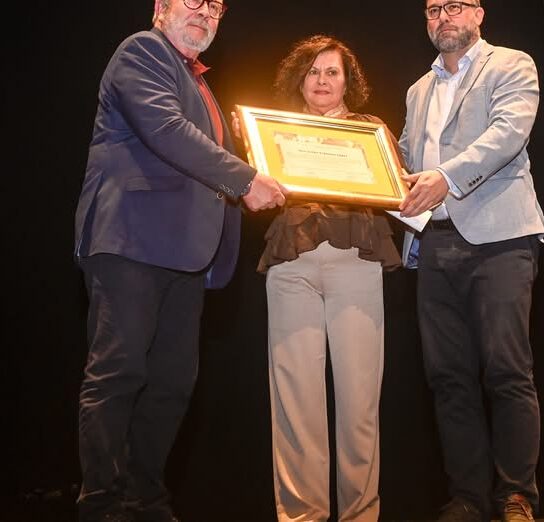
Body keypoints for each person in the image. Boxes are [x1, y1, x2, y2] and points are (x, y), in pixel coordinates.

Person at [73, 0, 286, 519]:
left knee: (172, 383)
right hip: (131, 241)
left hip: (186, 254)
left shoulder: (201, 84)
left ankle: (144, 497)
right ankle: (101, 503)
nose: (206, 12)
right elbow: (166, 129)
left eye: (216, 6)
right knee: (119, 373)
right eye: (193, 1)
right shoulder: (141, 51)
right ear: (160, 7)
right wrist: (245, 179)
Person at [397, 2, 544, 520]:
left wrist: (444, 177)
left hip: (500, 238)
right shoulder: (418, 90)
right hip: (434, 243)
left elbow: (508, 134)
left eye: (454, 5)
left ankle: (515, 495)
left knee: (508, 371)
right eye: (432, 9)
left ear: (479, 13)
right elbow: (402, 158)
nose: (442, 17)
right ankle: (467, 496)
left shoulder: (511, 64)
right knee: (447, 377)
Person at [255, 35, 401, 522]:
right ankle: (302, 517)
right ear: (299, 78)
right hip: (291, 267)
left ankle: (361, 515)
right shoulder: (274, 130)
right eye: (313, 71)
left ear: (348, 80)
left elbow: (398, 190)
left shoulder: (369, 129)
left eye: (332, 71)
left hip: (355, 265)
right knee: (297, 406)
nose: (322, 80)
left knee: (360, 403)